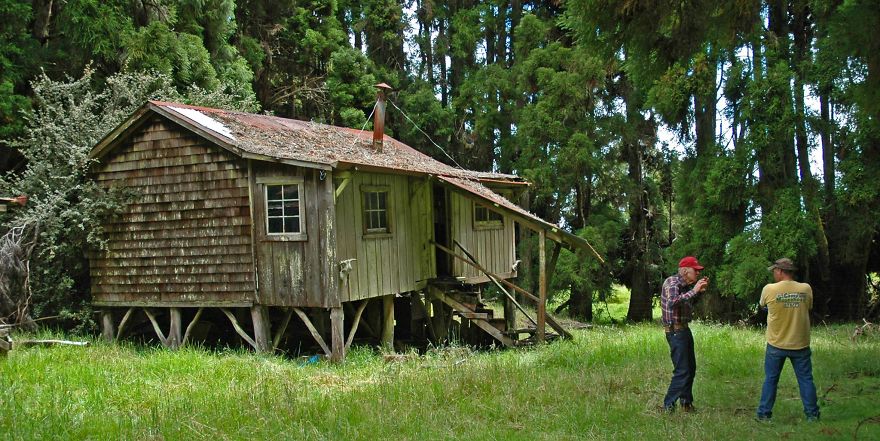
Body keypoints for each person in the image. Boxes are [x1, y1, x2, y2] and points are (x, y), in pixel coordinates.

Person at [756, 258, 820, 422]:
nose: (773, 274)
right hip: (800, 343)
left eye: (774, 271)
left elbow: (763, 305)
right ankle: (812, 415)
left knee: (771, 379)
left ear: (780, 271)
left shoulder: (769, 289)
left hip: (776, 343)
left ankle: (764, 414)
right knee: (806, 380)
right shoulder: (806, 289)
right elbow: (809, 307)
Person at [660, 256, 709, 413]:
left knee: (691, 368)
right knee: (682, 370)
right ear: (685, 270)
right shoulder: (672, 283)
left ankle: (686, 403)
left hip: (683, 330)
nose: (698, 274)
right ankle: (668, 405)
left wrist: (697, 292)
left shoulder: (685, 286)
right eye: (696, 270)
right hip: (675, 332)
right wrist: (694, 291)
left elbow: (685, 304)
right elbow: (673, 302)